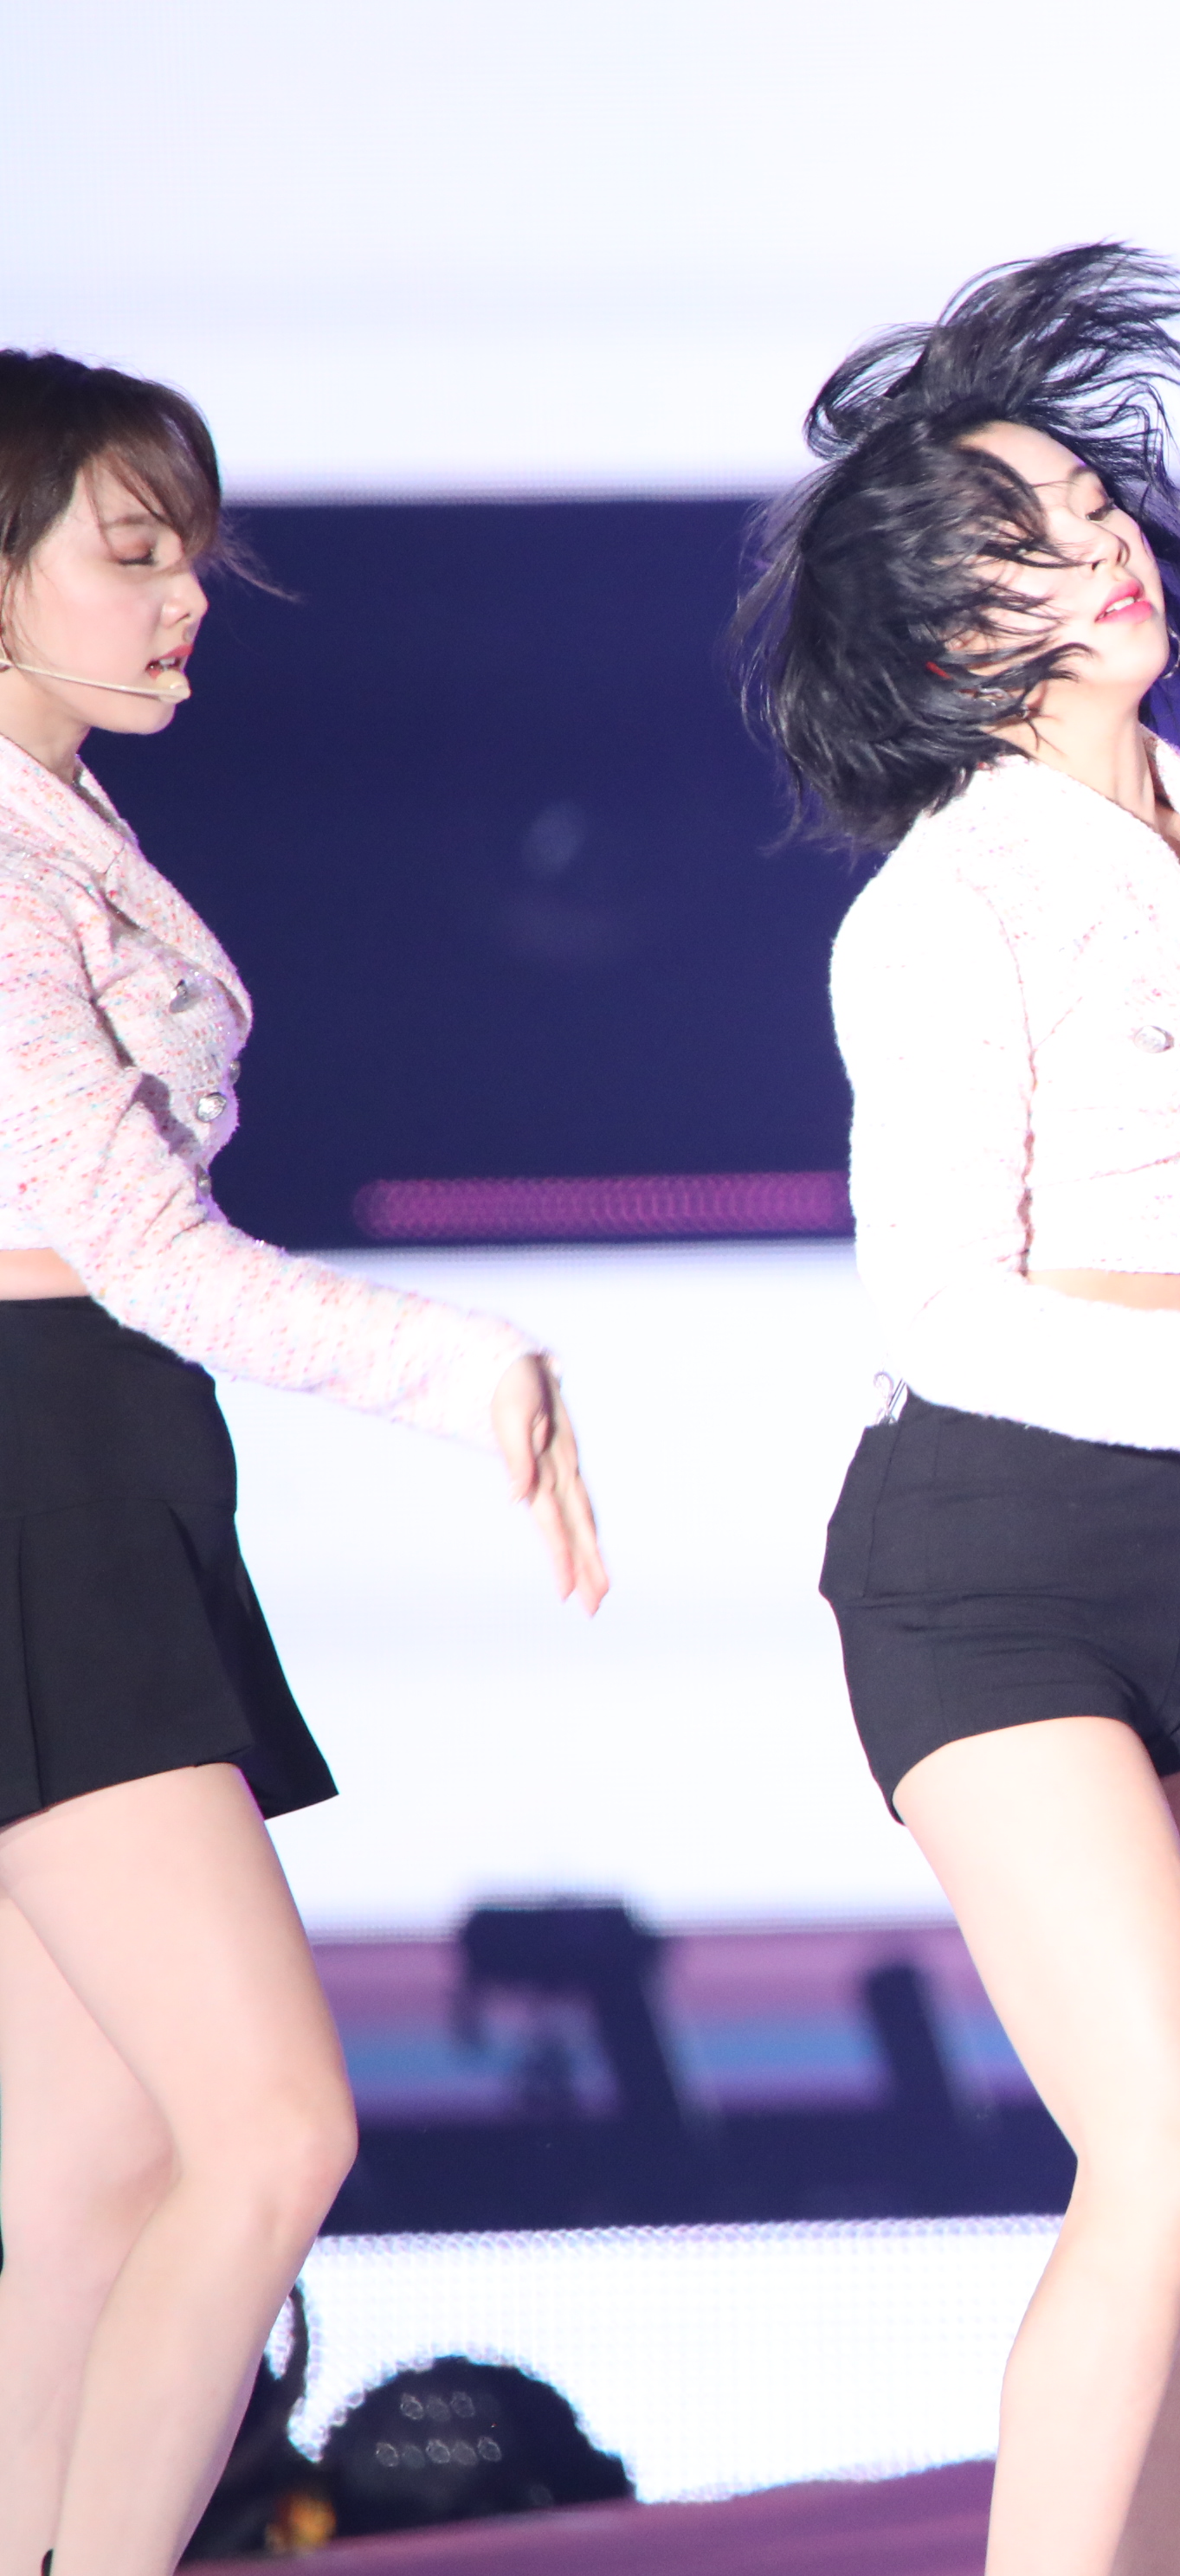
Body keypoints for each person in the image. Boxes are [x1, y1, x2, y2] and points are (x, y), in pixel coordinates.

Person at [739, 246, 1180, 2576]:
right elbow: (943, 1312)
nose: (1097, 545)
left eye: (1089, 502)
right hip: (987, 1563)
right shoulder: (947, 903)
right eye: (1019, 540)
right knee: (1171, 2155)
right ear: (945, 644)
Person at [0, 351, 607, 2575]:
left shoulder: (58, 822)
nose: (184, 604)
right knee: (267, 2132)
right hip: (47, 1474)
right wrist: (466, 1364)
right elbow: (143, 1250)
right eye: (131, 556)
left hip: (81, 1460)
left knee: (97, 2178)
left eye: (193, 560)